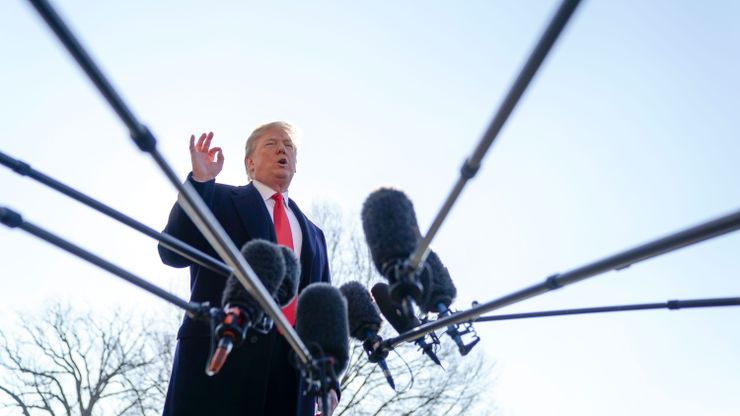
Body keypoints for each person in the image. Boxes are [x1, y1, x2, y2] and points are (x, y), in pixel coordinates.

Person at [158, 122, 338, 415]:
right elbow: (172, 251)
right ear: (249, 163)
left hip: (291, 380)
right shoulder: (218, 198)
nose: (282, 149)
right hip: (222, 356)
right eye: (271, 144)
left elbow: (322, 312)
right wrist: (201, 182)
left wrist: (328, 384)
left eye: (289, 147)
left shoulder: (315, 235)